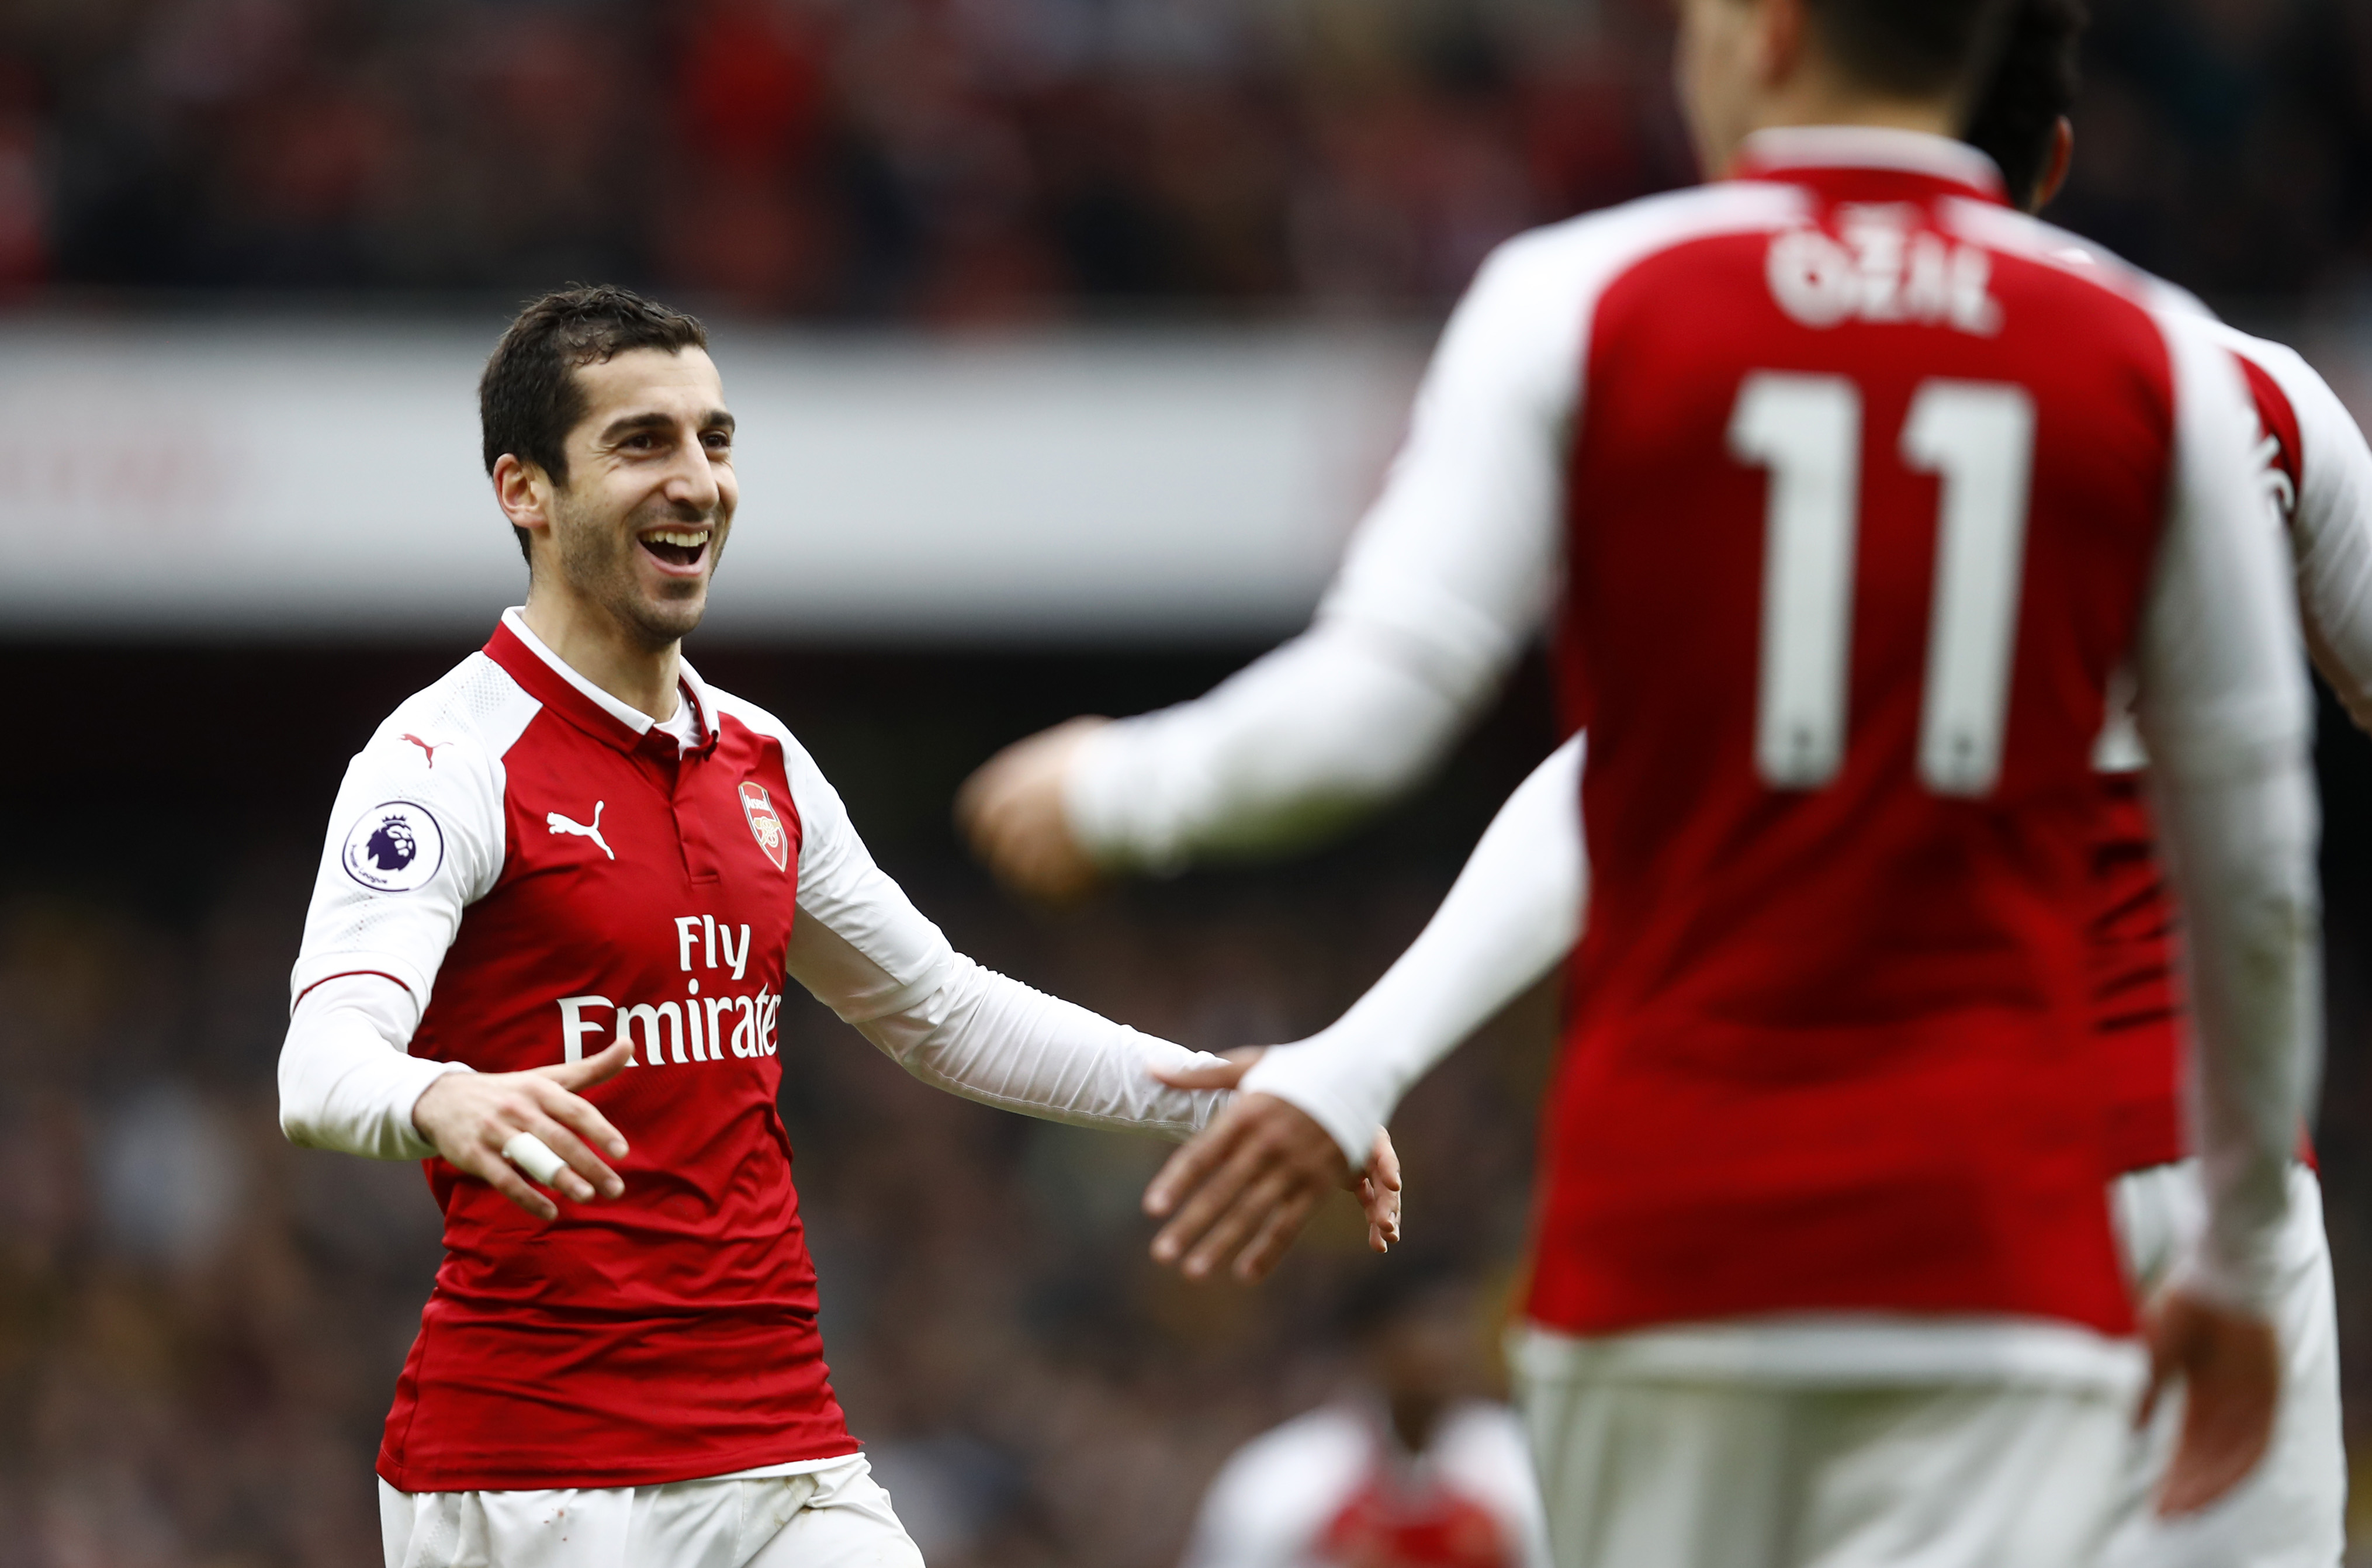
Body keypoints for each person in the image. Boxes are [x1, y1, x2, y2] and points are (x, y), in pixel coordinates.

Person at [996, 0, 2322, 1563]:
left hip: (1673, 1217)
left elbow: (1383, 700)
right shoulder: (2163, 363)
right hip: (1991, 1228)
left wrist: (1120, 785)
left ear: (1760, 35)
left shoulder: (1586, 295)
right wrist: (2240, 1254)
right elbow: (2255, 868)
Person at [275, 285, 1400, 1568]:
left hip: (779, 1451)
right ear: (524, 491)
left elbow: (941, 1011)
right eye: (643, 443)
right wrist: (442, 1099)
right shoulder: (441, 761)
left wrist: (1236, 1094)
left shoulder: (759, 760)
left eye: (715, 439)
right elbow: (322, 1063)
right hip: (540, 1472)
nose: (697, 480)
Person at [1178, 1268, 1552, 1568]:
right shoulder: (1285, 1478)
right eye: (1428, 1325)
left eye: (1458, 1324)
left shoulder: (1516, 1464)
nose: (1448, 1348)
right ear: (1372, 1342)